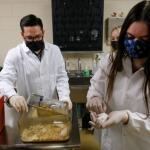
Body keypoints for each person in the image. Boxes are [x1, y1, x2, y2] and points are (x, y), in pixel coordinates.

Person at [86, 1, 150, 150]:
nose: (135, 43)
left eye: (144, 40)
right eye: (130, 36)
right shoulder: (112, 61)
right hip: (111, 143)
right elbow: (96, 87)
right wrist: (94, 99)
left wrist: (127, 117)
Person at [0, 14, 72, 127]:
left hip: (51, 110)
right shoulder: (14, 54)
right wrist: (12, 96)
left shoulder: (54, 51)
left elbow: (61, 77)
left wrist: (65, 97)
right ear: (22, 35)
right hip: (27, 112)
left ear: (43, 32)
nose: (34, 41)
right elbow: (4, 80)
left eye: (38, 36)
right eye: (29, 38)